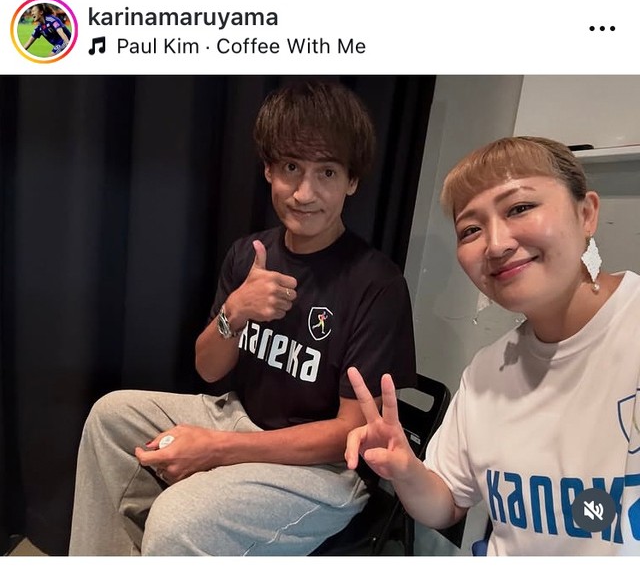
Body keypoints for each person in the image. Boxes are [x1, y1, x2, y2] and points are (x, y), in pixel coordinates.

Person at [68, 81, 416, 556]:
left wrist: (216, 449)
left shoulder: (377, 284)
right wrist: (235, 312)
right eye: (291, 168)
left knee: (176, 519)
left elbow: (347, 436)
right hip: (237, 416)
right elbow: (208, 369)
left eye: (327, 172)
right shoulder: (249, 254)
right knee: (111, 418)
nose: (305, 193)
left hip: (325, 470)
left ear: (352, 181)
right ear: (269, 170)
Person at [346, 136, 640, 555]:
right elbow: (446, 504)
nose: (497, 244)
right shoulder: (486, 372)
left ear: (586, 213)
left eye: (519, 208)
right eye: (471, 230)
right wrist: (406, 470)